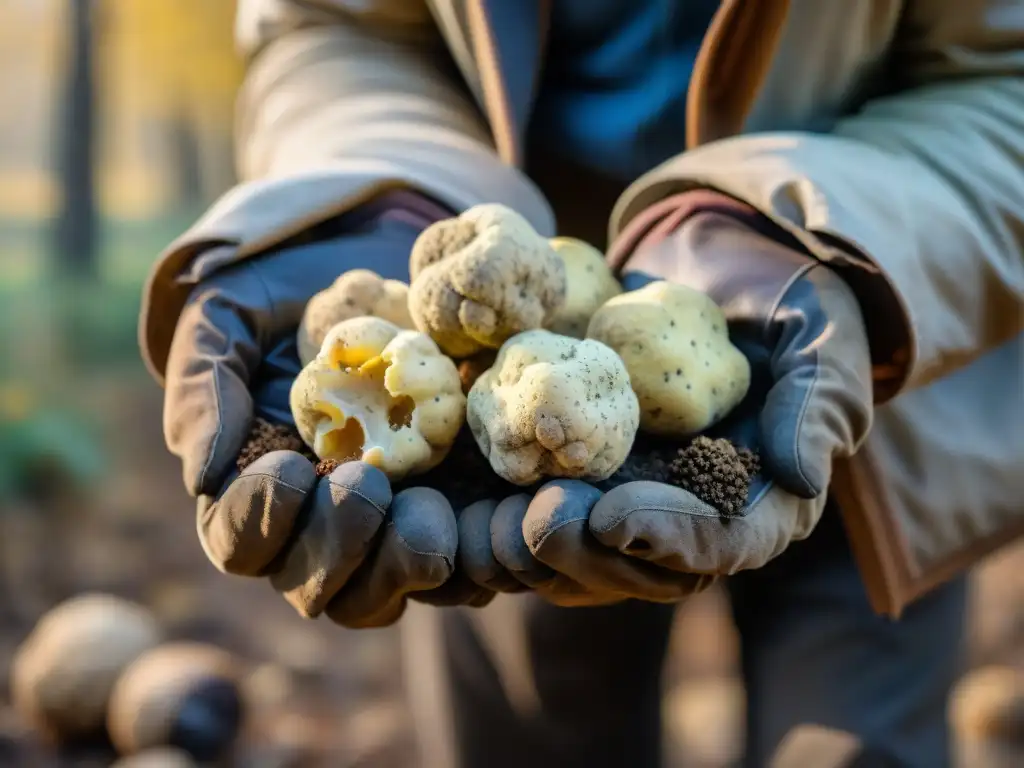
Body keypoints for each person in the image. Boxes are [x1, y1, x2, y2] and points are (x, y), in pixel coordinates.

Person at [143, 1, 1024, 765]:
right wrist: (372, 199)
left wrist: (805, 235)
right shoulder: (474, 385)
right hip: (494, 377)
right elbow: (330, 26)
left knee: (853, 741)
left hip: (871, 310)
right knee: (534, 729)